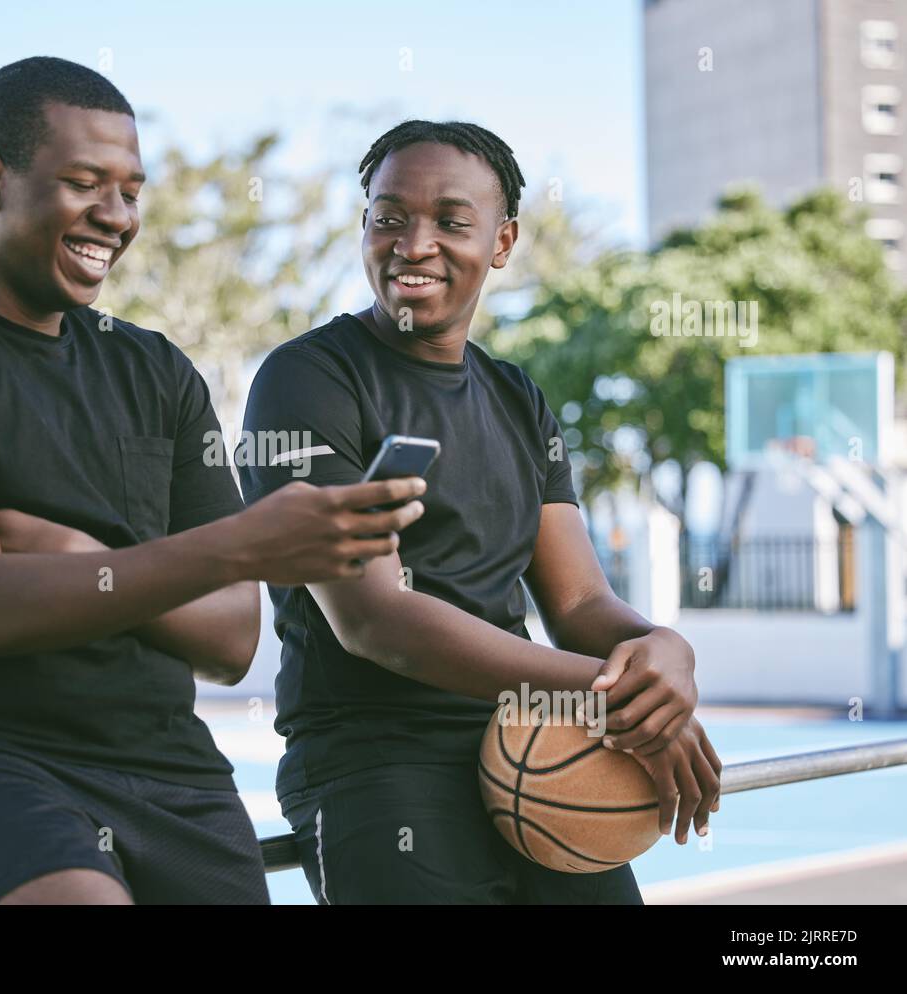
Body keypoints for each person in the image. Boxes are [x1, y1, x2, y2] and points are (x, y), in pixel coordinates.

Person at [0, 57, 425, 905]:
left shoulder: (156, 368)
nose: (115, 216)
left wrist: (77, 550)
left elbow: (232, 638)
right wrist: (228, 548)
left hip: (169, 776)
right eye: (85, 183)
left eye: (131, 190)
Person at [238, 119, 722, 904]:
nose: (413, 242)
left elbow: (578, 602)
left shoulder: (517, 398)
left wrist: (663, 652)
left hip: (542, 745)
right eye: (388, 217)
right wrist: (619, 697)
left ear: (501, 242)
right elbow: (376, 621)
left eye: (451, 222)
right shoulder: (306, 382)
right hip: (377, 763)